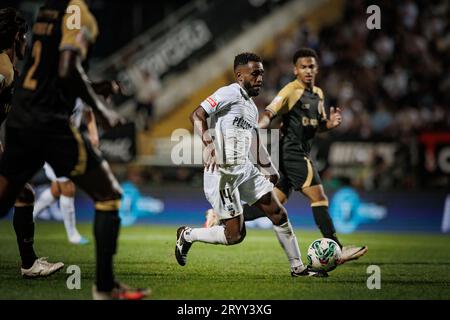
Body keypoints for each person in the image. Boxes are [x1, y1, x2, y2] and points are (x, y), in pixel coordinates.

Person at [0, 0, 148, 299]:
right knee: (108, 194)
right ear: (17, 36)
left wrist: (95, 87)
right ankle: (105, 288)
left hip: (23, 121)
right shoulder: (78, 13)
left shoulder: (47, 11)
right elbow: (67, 69)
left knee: (14, 196)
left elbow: (50, 76)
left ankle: (29, 263)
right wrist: (102, 110)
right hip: (48, 124)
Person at [205, 48, 368, 264]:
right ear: (295, 70)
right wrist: (257, 126)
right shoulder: (291, 91)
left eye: (311, 66)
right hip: (292, 153)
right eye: (303, 67)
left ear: (317, 68)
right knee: (319, 197)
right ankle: (336, 249)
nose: (308, 70)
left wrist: (330, 124)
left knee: (274, 206)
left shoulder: (317, 94)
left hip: (299, 152)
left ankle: (219, 217)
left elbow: (316, 126)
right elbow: (270, 112)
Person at [175, 52, 326, 277]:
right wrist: (209, 145)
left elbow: (253, 140)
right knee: (235, 235)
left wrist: (269, 170)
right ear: (239, 75)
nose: (260, 78)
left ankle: (298, 268)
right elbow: (197, 115)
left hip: (245, 169)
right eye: (254, 73)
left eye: (262, 73)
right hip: (223, 173)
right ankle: (187, 235)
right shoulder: (229, 92)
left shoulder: (251, 107)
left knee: (278, 213)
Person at [0, 7, 64, 278]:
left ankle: (29, 264)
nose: (27, 42)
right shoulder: (2, 67)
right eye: (25, 37)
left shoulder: (8, 65)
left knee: (23, 193)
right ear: (16, 36)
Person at [33, 99, 100, 245]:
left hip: (69, 144)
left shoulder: (81, 86)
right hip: (52, 143)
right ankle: (72, 235)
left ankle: (28, 216)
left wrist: (93, 134)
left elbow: (88, 112)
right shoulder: (53, 88)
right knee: (68, 187)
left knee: (57, 189)